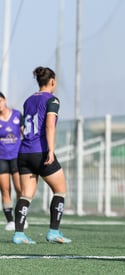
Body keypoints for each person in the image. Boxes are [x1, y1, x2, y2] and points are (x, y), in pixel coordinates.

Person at [12, 66, 71, 244]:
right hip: (41, 151)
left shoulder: (28, 100)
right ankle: (54, 231)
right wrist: (51, 151)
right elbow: (49, 125)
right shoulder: (52, 100)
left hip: (24, 152)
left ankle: (19, 234)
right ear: (52, 81)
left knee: (26, 195)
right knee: (60, 191)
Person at [0, 91, 27, 231]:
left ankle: (21, 218)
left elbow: (25, 134)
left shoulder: (17, 115)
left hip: (17, 157)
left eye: (0, 101)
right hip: (1, 158)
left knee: (19, 188)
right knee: (5, 189)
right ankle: (10, 220)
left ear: (4, 100)